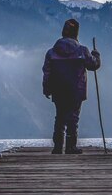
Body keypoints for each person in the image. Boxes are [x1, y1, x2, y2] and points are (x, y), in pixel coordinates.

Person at [42, 19, 101, 154]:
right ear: (76, 33)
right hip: (76, 90)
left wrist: (46, 88)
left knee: (60, 117)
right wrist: (96, 55)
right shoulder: (82, 50)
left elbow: (47, 72)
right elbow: (94, 65)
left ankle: (57, 147)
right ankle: (70, 147)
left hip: (58, 91)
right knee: (73, 118)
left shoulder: (51, 52)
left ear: (63, 32)